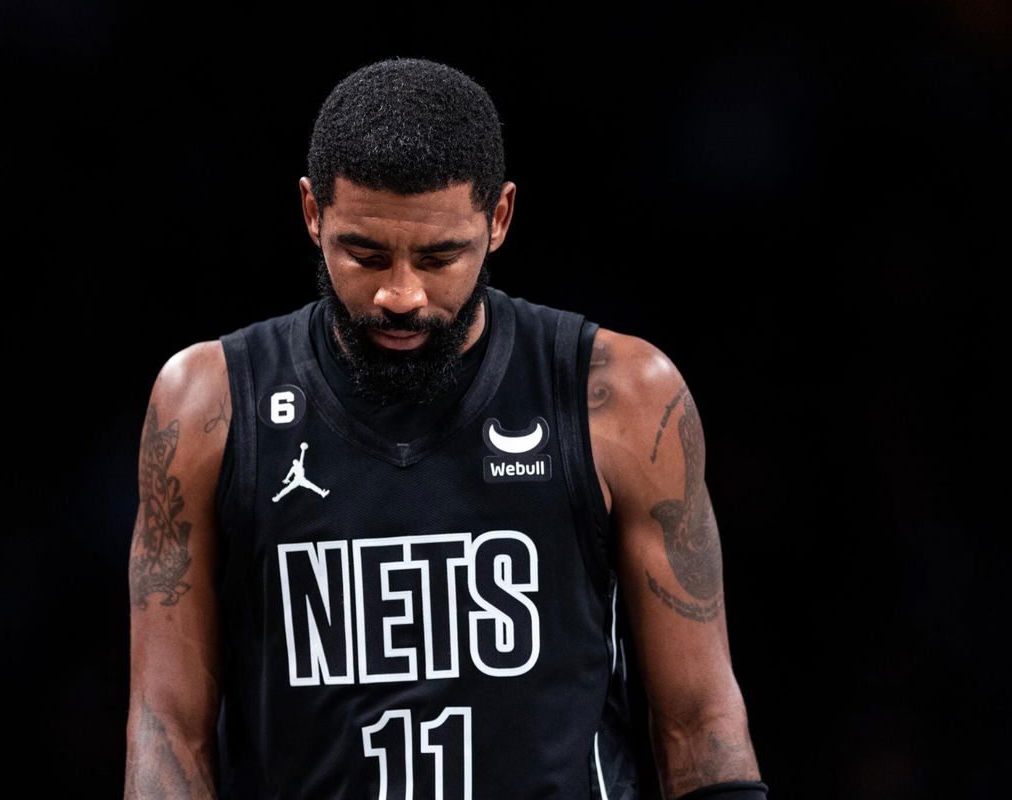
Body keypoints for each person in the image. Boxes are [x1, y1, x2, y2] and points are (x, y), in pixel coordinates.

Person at [124, 58, 765, 800]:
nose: (402, 293)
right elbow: (165, 727)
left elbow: (700, 722)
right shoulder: (208, 401)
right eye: (363, 254)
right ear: (311, 213)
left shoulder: (621, 394)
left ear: (498, 219)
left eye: (439, 257)